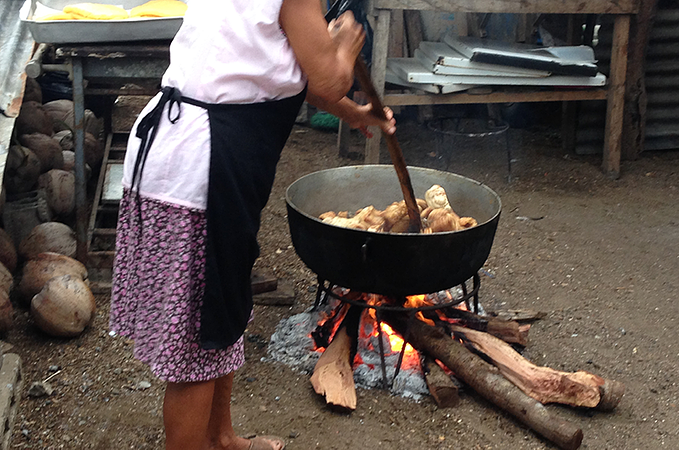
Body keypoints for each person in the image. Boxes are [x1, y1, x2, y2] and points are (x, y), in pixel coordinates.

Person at [109, 0, 396, 449]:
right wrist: (344, 45)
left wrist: (355, 114)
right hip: (203, 169)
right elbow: (327, 76)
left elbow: (303, 80)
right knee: (197, 339)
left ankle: (221, 437)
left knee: (221, 307)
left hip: (188, 158)